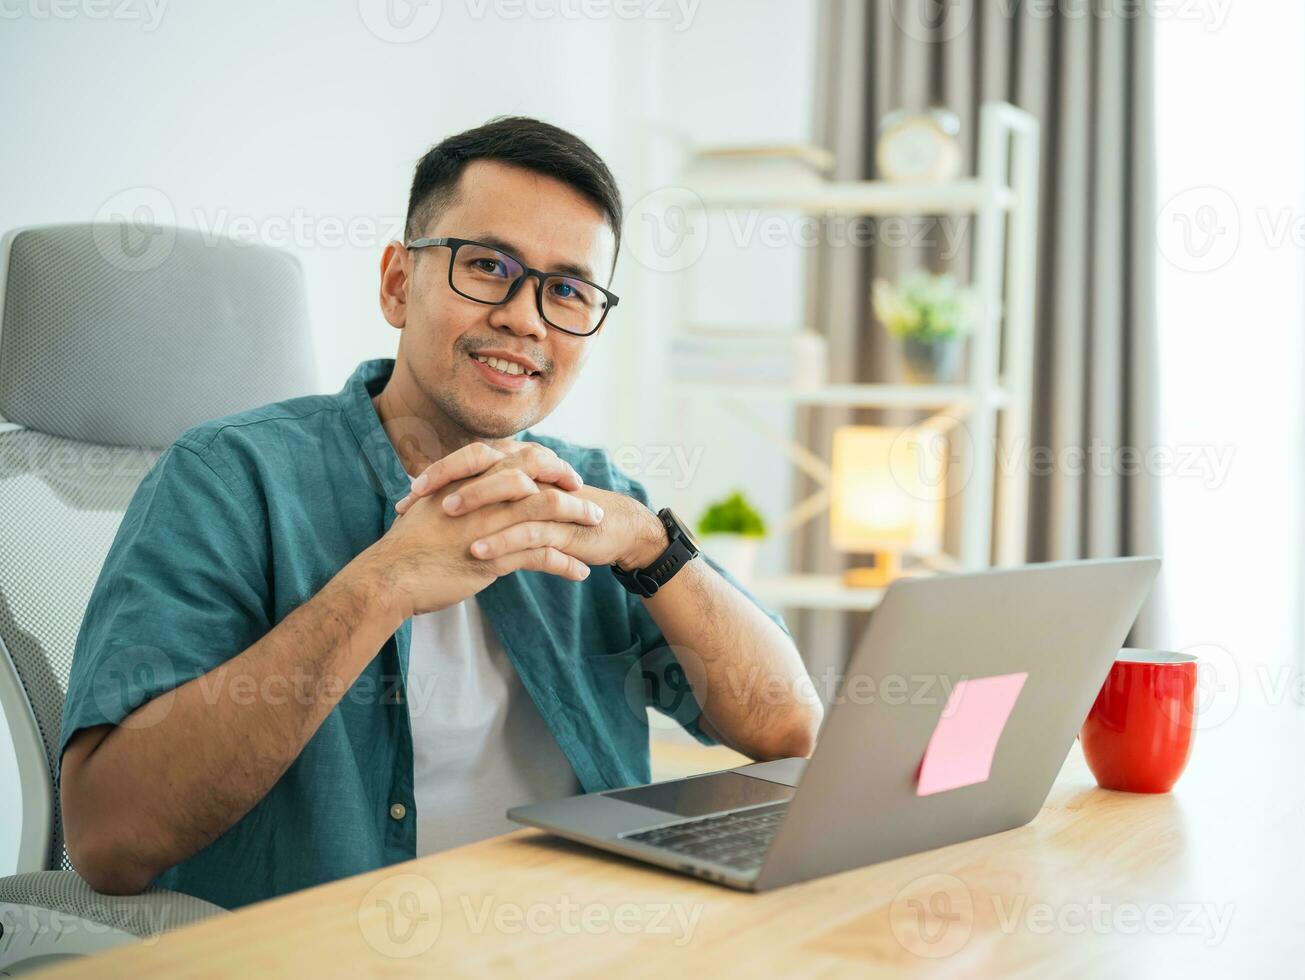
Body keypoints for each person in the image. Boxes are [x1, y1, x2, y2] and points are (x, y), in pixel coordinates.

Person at [58, 116, 821, 910]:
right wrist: (383, 583)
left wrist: (651, 545)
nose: (527, 319)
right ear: (397, 283)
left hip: (581, 944)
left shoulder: (594, 499)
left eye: (567, 290)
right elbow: (109, 841)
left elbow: (789, 730)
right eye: (488, 266)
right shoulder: (229, 478)